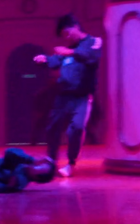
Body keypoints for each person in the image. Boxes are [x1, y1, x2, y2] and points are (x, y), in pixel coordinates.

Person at [34, 14, 102, 178]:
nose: (67, 37)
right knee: (53, 127)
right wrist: (45, 60)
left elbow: (91, 57)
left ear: (76, 27)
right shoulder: (69, 50)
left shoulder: (94, 42)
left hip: (82, 96)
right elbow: (56, 61)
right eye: (64, 35)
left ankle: (71, 162)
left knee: (77, 128)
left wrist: (70, 52)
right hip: (63, 95)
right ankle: (51, 161)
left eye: (67, 33)